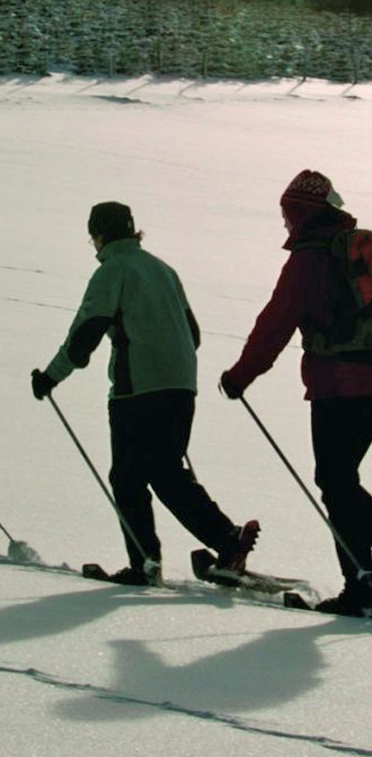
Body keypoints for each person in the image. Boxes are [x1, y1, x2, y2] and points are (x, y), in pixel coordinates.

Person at [31, 201, 258, 585]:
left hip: (137, 390)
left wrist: (50, 377)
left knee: (128, 477)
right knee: (166, 471)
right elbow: (195, 334)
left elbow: (86, 332)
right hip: (182, 385)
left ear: (98, 234)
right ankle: (225, 540)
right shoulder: (162, 269)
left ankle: (147, 563)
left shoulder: (112, 271)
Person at [221, 170, 372, 616]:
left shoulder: (309, 259)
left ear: (298, 214)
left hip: (337, 387)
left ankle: (362, 584)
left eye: (287, 214)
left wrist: (240, 376)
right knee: (342, 480)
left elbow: (276, 323)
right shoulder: (360, 250)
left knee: (336, 481)